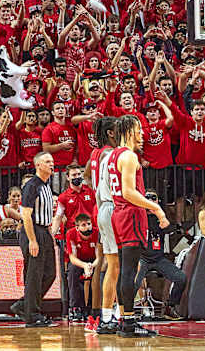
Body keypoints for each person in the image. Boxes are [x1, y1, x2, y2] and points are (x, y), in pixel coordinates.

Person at [107, 114, 169, 337]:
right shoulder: (130, 157)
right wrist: (156, 208)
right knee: (130, 271)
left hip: (119, 214)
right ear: (129, 131)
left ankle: (125, 319)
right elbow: (128, 192)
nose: (142, 133)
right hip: (130, 214)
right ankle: (129, 324)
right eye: (139, 129)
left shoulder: (113, 156)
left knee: (125, 269)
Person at [85, 116, 122, 335]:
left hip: (101, 208)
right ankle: (115, 313)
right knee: (116, 265)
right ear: (110, 133)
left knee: (104, 263)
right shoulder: (111, 154)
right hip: (113, 206)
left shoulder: (94, 154)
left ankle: (98, 314)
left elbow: (89, 177)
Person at [14, 152, 58, 327]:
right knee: (34, 275)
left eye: (52, 161)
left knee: (50, 274)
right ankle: (32, 315)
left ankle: (23, 305)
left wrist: (50, 236)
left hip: (44, 231)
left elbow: (47, 215)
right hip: (32, 231)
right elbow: (26, 215)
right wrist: (33, 240)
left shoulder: (47, 185)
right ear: (38, 165)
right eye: (47, 161)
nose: (51, 164)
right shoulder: (32, 185)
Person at [135, 189, 187, 319]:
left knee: (181, 278)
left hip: (158, 258)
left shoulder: (162, 215)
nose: (151, 201)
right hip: (142, 258)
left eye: (154, 198)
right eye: (148, 198)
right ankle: (127, 312)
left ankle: (170, 307)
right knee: (134, 282)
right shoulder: (138, 215)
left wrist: (158, 214)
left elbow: (170, 228)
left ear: (158, 201)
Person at [65, 213, 100, 323]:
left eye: (89, 224)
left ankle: (93, 308)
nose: (87, 227)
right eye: (83, 225)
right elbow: (72, 258)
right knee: (72, 272)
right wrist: (84, 265)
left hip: (93, 261)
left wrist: (91, 266)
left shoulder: (96, 232)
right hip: (78, 261)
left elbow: (99, 256)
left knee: (99, 272)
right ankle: (75, 308)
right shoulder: (71, 234)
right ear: (77, 227)